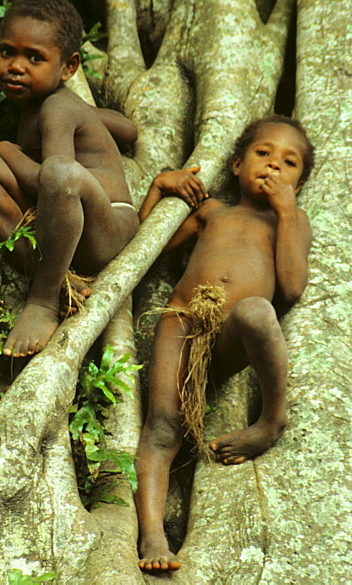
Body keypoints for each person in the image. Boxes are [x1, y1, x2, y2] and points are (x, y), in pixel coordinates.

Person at [133, 115, 314, 573]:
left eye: (289, 163)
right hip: (183, 321)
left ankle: (271, 420)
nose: (273, 166)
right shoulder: (211, 212)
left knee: (257, 311)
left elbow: (291, 288)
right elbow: (140, 250)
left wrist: (289, 212)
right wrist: (159, 188)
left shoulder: (288, 221)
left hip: (232, 333)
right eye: (263, 154)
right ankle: (152, 534)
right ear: (236, 164)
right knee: (161, 427)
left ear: (298, 182)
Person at [0, 0, 139, 358]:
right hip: (66, 226)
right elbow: (128, 130)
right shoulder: (55, 104)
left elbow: (52, 181)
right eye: (7, 52)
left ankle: (43, 301)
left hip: (106, 228)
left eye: (35, 58)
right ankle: (60, 278)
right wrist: (94, 119)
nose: (16, 66)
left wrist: (8, 151)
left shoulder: (57, 106)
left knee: (59, 173)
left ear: (69, 67)